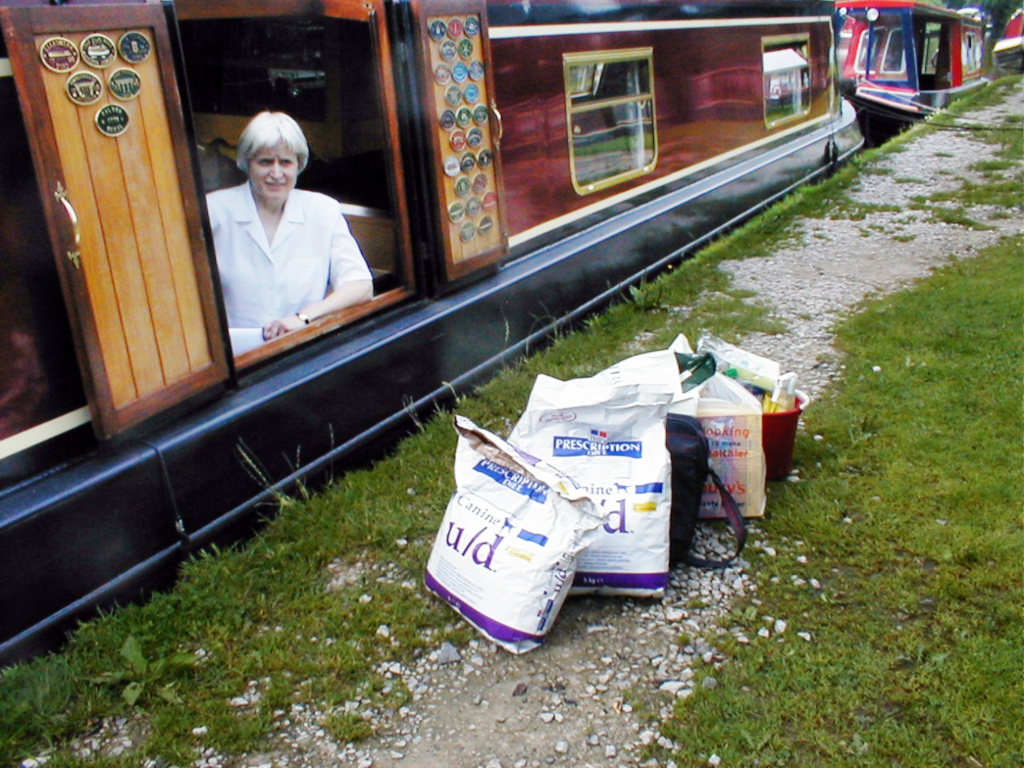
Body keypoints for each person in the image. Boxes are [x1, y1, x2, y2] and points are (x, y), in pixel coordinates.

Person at [206, 111, 373, 355]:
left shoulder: (323, 210)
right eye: (264, 162)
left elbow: (360, 286)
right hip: (233, 359)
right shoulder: (213, 211)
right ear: (246, 164)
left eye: (285, 162)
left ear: (299, 165)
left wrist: (303, 318)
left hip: (302, 353)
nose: (276, 173)